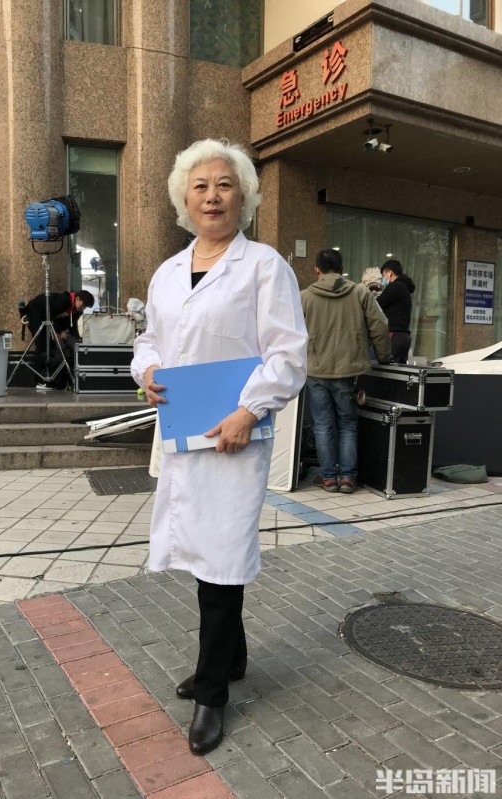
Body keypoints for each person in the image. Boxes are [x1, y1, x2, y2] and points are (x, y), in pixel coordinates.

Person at [131, 139, 307, 757]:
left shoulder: (264, 266)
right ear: (185, 199)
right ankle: (230, 660)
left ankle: (212, 692)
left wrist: (248, 410)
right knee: (203, 556)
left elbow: (288, 353)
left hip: (235, 437)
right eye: (201, 186)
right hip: (185, 434)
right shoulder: (167, 272)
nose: (212, 196)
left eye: (225, 185)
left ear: (245, 197)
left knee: (222, 562)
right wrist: (148, 371)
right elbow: (149, 341)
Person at [301, 249, 390, 494]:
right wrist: (383, 357)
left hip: (316, 370)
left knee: (322, 425)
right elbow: (380, 325)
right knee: (348, 424)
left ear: (317, 269)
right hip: (349, 370)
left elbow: (290, 333)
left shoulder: (304, 297)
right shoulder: (360, 293)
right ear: (342, 269)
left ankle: (329, 478)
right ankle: (348, 478)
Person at [20, 289, 94, 389]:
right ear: (77, 299)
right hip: (37, 312)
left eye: (85, 307)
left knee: (51, 347)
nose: (83, 308)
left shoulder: (76, 311)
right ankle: (40, 381)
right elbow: (49, 314)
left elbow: (73, 326)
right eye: (83, 305)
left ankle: (49, 377)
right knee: (41, 345)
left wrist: (77, 340)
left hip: (49, 317)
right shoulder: (64, 300)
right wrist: (60, 331)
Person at [377, 259, 415, 364]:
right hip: (404, 337)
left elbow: (376, 305)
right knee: (399, 371)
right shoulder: (404, 288)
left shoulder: (394, 286)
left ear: (389, 273)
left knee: (386, 369)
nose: (383, 279)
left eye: (383, 275)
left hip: (394, 335)